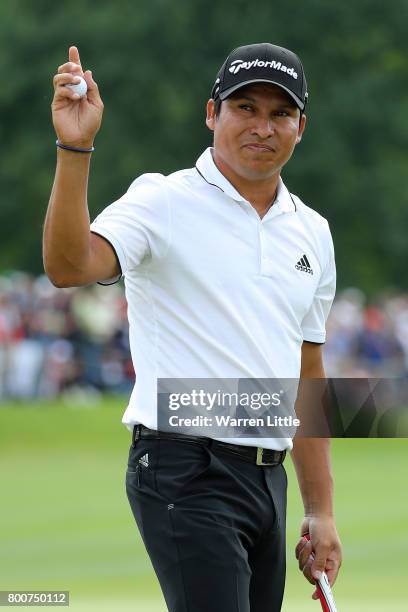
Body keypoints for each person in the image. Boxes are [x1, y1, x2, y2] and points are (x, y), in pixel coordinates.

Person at [44, 42, 342, 612]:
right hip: (184, 465)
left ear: (300, 127)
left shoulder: (313, 232)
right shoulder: (162, 200)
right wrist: (74, 148)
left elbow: (307, 375)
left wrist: (320, 509)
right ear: (212, 114)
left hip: (267, 478)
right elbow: (68, 265)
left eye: (280, 113)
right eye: (245, 108)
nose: (262, 126)